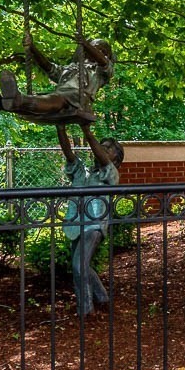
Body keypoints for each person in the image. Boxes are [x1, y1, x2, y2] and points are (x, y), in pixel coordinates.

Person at [57, 122, 124, 318]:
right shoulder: (82, 172)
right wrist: (59, 127)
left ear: (116, 158)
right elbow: (68, 153)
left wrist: (87, 131)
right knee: (82, 265)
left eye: (108, 147)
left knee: (79, 265)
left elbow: (102, 158)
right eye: (101, 144)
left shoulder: (111, 174)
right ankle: (102, 297)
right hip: (75, 224)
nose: (103, 147)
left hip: (93, 226)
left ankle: (86, 311)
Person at [0, 34, 115, 117]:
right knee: (42, 98)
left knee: (54, 99)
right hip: (60, 96)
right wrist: (32, 48)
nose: (98, 51)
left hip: (78, 99)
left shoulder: (100, 72)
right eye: (95, 47)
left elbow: (104, 62)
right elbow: (49, 67)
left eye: (102, 50)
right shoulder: (71, 68)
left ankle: (17, 99)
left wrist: (85, 43)